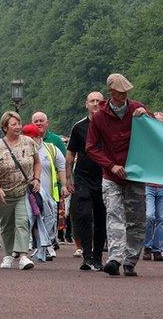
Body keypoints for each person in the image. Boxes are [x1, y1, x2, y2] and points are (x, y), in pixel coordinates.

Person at [85, 73, 150, 277]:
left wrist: (146, 117)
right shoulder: (99, 116)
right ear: (111, 92)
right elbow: (91, 147)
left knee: (137, 220)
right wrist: (110, 165)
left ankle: (130, 260)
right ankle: (114, 258)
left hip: (135, 174)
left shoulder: (137, 109)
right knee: (114, 216)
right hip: (111, 175)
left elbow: (155, 133)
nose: (123, 96)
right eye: (119, 92)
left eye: (126, 93)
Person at [0, 111, 41, 270]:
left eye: (19, 123)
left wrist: (36, 179)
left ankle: (23, 255)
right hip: (3, 194)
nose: (18, 127)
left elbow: (37, 163)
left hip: (22, 192)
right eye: (14, 124)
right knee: (7, 225)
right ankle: (9, 254)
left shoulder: (29, 142)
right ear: (5, 127)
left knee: (23, 222)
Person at [68, 91, 106, 271]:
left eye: (99, 100)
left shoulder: (109, 125)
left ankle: (98, 257)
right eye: (92, 101)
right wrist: (69, 178)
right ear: (86, 104)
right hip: (83, 177)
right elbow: (70, 155)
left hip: (105, 177)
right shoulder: (79, 127)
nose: (96, 103)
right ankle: (87, 255)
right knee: (83, 214)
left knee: (101, 217)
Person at [23, 122, 70, 263]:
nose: (30, 142)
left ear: (39, 137)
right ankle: (33, 246)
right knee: (31, 219)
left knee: (48, 219)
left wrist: (64, 185)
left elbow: (61, 166)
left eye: (33, 138)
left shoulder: (51, 149)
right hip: (27, 193)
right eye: (27, 139)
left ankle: (45, 245)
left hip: (48, 193)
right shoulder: (21, 150)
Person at [144, 111, 163, 262]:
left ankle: (157, 249)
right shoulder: (146, 141)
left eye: (162, 121)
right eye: (156, 121)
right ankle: (147, 246)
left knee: (162, 219)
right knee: (149, 216)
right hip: (148, 185)